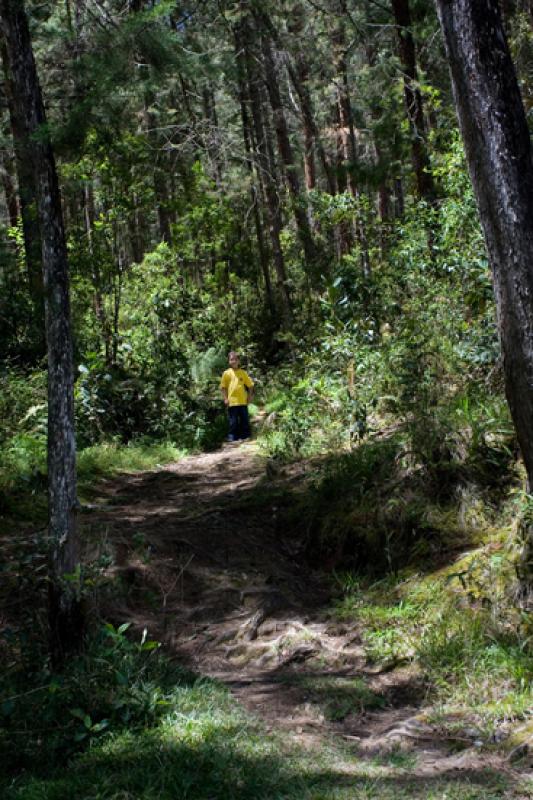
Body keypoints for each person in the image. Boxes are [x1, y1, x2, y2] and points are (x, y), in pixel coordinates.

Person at [220, 351, 254, 442]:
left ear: (238, 361)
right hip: (232, 402)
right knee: (233, 422)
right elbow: (223, 387)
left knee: (244, 420)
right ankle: (232, 437)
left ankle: (245, 436)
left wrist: (250, 397)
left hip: (243, 401)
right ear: (229, 361)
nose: (234, 361)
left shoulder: (243, 373)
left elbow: (250, 385)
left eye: (235, 359)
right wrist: (225, 399)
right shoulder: (226, 373)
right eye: (231, 359)